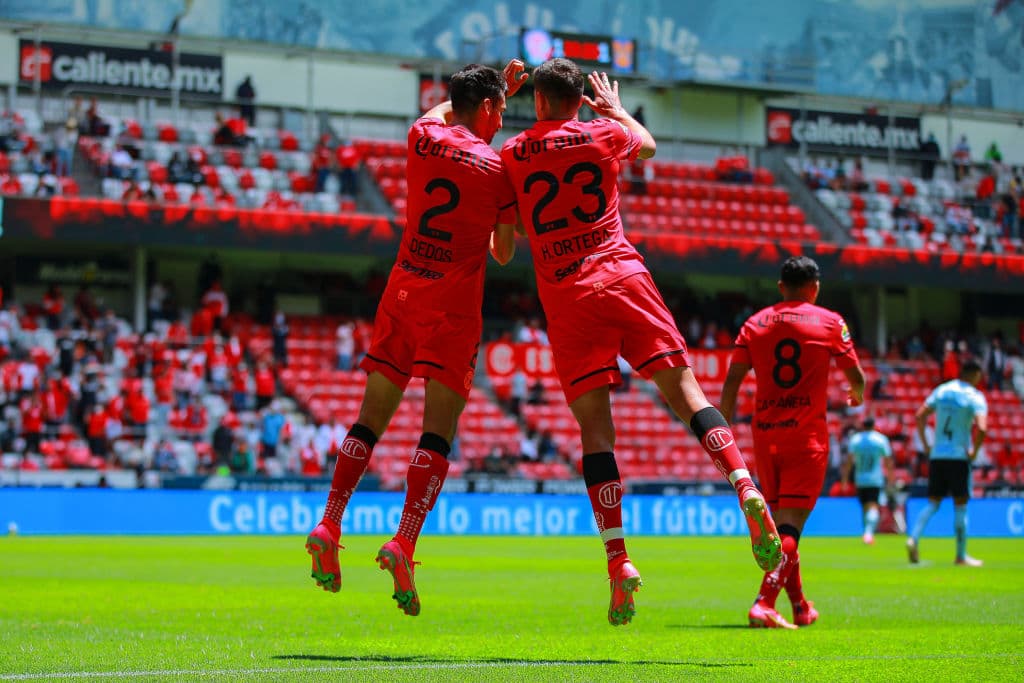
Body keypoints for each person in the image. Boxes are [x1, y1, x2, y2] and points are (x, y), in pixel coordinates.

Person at [500, 58, 781, 628]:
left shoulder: (512, 153)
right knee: (688, 395)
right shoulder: (604, 132)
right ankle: (743, 485)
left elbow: (504, 250)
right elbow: (648, 146)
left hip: (569, 297)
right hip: (624, 276)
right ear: (580, 100)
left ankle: (618, 560)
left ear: (539, 101)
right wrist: (618, 110)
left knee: (596, 433)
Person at [305, 59, 526, 616]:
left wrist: (494, 88)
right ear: (489, 108)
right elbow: (503, 253)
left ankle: (329, 523)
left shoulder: (423, 136)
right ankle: (404, 541)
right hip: (453, 312)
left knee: (369, 419)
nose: (503, 121)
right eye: (501, 109)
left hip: (403, 293)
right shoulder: (498, 169)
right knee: (437, 433)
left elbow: (443, 111)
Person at [721, 255, 866, 630]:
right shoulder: (830, 322)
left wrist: (723, 428)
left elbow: (733, 380)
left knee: (783, 525)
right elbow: (855, 375)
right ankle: (764, 604)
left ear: (781, 287)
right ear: (815, 288)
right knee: (789, 531)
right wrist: (857, 392)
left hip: (765, 435)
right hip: (805, 437)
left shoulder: (754, 324)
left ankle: (800, 606)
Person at [906, 358, 988, 567]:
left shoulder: (942, 390)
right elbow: (982, 427)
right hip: (959, 457)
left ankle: (913, 538)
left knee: (933, 503)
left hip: (938, 456)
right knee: (960, 506)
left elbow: (920, 416)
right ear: (975, 375)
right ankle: (961, 555)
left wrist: (926, 445)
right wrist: (974, 451)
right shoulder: (974, 396)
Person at [844, 417, 893, 545]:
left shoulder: (856, 439)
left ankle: (867, 533)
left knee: (866, 507)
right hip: (875, 479)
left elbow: (849, 461)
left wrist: (844, 479)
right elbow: (888, 461)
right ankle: (868, 533)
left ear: (863, 426)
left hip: (860, 479)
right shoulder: (880, 439)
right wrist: (891, 478)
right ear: (873, 425)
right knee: (873, 506)